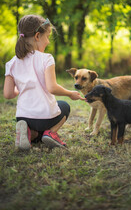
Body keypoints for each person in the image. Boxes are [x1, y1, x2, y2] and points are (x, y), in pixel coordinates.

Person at [3, 14, 85, 150]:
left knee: (36, 136)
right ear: (37, 36)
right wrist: (70, 93)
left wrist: (21, 88)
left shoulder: (11, 63)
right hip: (45, 118)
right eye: (47, 36)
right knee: (64, 106)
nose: (48, 41)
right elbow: (52, 87)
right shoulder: (46, 58)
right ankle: (50, 133)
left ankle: (31, 133)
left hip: (23, 117)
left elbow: (8, 94)